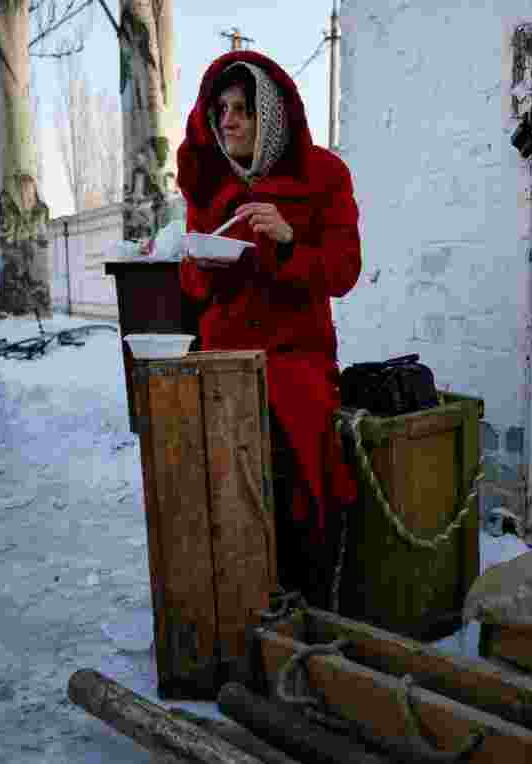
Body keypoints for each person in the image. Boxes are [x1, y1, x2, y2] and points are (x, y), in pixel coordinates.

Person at [176, 50, 360, 609]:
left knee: (297, 474)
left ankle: (308, 602)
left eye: (242, 110)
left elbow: (343, 271)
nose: (227, 120)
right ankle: (232, 604)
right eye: (220, 109)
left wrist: (286, 243)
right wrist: (204, 267)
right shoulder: (211, 186)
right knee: (217, 484)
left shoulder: (324, 175)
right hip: (223, 360)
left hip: (293, 357)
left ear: (271, 116)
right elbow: (190, 283)